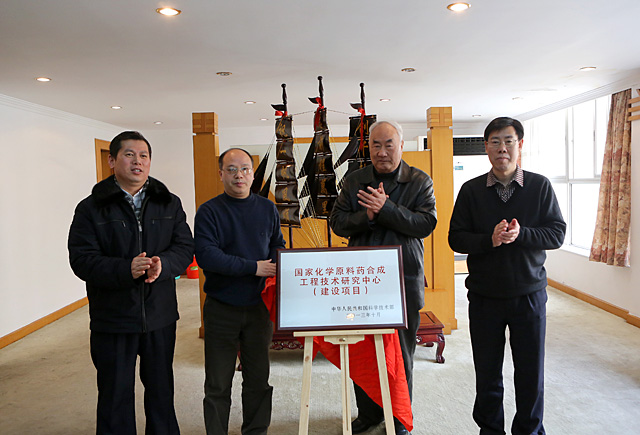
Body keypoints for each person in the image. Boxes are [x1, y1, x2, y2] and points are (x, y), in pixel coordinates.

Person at [68, 131, 194, 434]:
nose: (138, 161)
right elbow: (81, 259)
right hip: (112, 317)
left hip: (160, 315)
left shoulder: (169, 203)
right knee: (114, 394)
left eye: (144, 156)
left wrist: (164, 265)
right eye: (129, 154)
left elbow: (184, 247)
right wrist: (126, 269)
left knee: (161, 390)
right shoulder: (90, 207)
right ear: (112, 161)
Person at [448, 117, 566, 435]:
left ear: (520, 145)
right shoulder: (471, 190)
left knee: (530, 372)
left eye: (508, 141)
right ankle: (490, 430)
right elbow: (455, 238)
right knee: (487, 373)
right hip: (484, 296)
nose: (502, 148)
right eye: (495, 142)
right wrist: (490, 239)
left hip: (529, 295)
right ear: (486, 147)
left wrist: (521, 234)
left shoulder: (539, 186)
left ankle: (529, 430)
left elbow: (556, 233)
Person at [331, 120, 437, 435]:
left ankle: (400, 417)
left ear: (400, 145)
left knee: (400, 356)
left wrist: (387, 208)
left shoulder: (419, 181)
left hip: (403, 282)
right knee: (363, 353)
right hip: (361, 282)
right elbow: (337, 222)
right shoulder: (354, 180)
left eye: (388, 144)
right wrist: (367, 216)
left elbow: (425, 224)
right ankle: (369, 414)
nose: (381, 152)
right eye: (375, 145)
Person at [195, 148, 285, 435]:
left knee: (258, 379)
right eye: (231, 169)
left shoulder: (267, 208)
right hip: (221, 307)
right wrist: (253, 267)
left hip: (259, 307)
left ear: (252, 174)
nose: (239, 175)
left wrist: (281, 262)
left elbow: (278, 244)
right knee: (218, 382)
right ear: (221, 174)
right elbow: (208, 256)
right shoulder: (209, 211)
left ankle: (256, 430)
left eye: (245, 169)